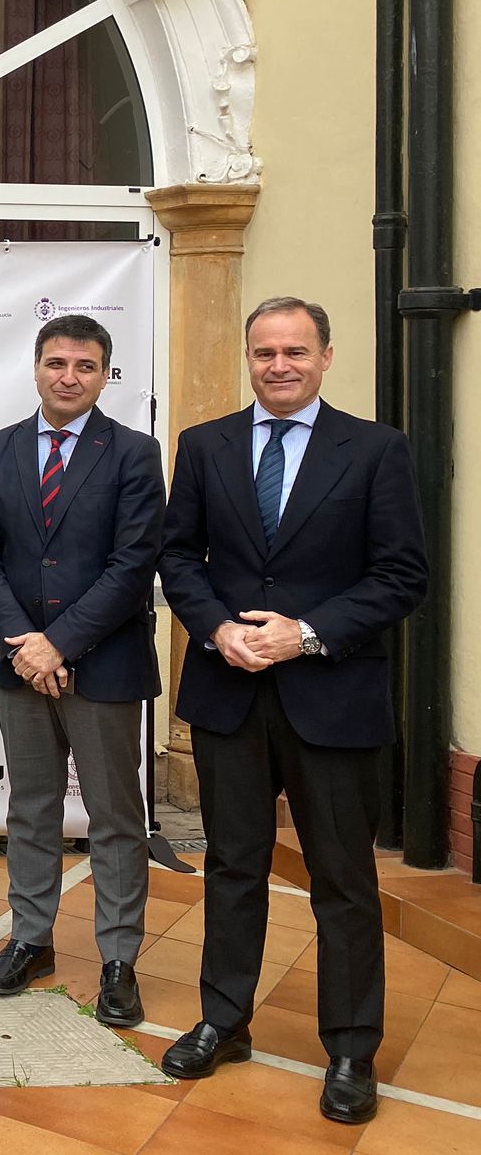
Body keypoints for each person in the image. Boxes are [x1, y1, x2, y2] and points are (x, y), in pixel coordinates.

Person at [156, 297, 425, 1124]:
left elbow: (400, 574)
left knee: (342, 879)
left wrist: (304, 635)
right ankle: (224, 1019)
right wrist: (215, 628)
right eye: (265, 351)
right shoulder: (205, 446)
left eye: (295, 351)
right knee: (233, 867)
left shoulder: (377, 450)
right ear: (248, 356)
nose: (279, 364)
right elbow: (178, 555)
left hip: (332, 698)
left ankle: (350, 1047)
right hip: (231, 691)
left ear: (325, 357)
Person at [0, 316, 165, 1025]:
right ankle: (31, 939)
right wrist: (25, 642)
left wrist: (60, 643)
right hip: (19, 662)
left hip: (102, 666)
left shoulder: (135, 454)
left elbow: (133, 563)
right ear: (37, 367)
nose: (68, 376)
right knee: (32, 807)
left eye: (84, 365)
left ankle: (117, 959)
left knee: (113, 816)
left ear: (105, 374)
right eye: (56, 363)